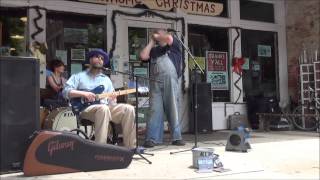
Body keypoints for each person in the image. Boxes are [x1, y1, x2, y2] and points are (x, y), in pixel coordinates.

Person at [62, 49, 136, 149]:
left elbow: (112, 103)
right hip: (85, 109)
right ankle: (100, 149)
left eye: (102, 59)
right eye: (97, 57)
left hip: (105, 107)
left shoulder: (106, 79)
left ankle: (131, 148)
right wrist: (84, 93)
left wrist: (113, 98)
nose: (100, 60)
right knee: (103, 109)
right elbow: (66, 92)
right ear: (90, 59)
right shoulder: (79, 76)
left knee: (129, 109)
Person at [140, 29, 185, 148]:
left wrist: (157, 36)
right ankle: (152, 138)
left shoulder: (174, 45)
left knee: (173, 108)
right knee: (154, 110)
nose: (158, 36)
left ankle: (176, 137)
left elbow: (168, 38)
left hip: (170, 81)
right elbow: (143, 56)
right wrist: (151, 42)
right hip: (155, 83)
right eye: (157, 34)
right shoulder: (154, 51)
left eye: (160, 34)